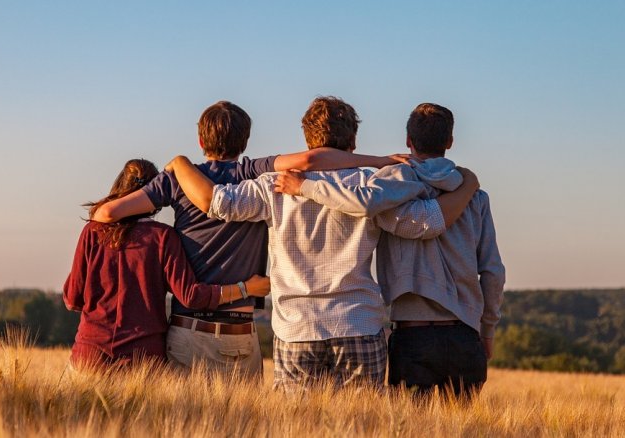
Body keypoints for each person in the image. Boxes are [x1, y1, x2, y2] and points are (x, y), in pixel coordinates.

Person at [164, 96, 480, 391]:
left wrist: (180, 163)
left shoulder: (273, 185)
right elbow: (425, 223)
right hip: (358, 323)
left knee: (296, 426)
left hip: (296, 328)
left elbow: (217, 202)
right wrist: (467, 187)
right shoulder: (372, 185)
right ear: (353, 140)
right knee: (361, 427)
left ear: (307, 139)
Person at [90, 101, 409, 378]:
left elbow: (106, 215)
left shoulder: (177, 179)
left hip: (188, 329)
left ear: (201, 140)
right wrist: (379, 161)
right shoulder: (253, 172)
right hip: (240, 332)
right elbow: (311, 161)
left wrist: (174, 170)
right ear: (245, 141)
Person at [275, 103, 505, 398]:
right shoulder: (475, 196)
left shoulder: (388, 187)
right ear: (449, 142)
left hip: (412, 335)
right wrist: (487, 330)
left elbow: (362, 202)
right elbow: (493, 271)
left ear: (408, 140)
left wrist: (305, 187)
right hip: (465, 335)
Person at [63, 158, 270, 372]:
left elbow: (73, 299)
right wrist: (245, 289)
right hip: (143, 360)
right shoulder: (163, 237)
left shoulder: (92, 232)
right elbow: (191, 296)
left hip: (89, 355)